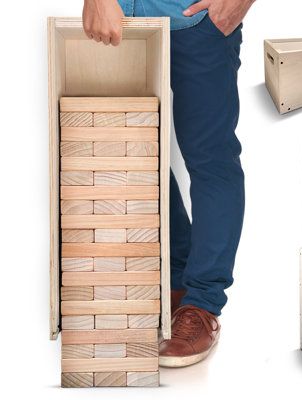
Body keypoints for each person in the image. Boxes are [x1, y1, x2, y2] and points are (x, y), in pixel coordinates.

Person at [82, 0, 255, 367]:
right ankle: (178, 282)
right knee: (135, 149)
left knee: (211, 160)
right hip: (118, 21)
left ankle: (202, 305)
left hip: (199, 20)